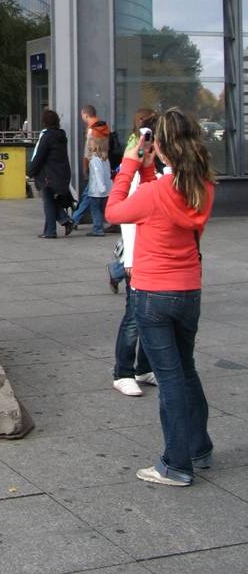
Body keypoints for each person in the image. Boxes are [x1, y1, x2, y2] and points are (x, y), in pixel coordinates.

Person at [105, 107, 216, 486]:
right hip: (188, 291)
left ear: (163, 147)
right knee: (186, 370)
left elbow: (114, 210)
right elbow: (165, 203)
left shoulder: (154, 193)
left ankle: (176, 465)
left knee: (169, 380)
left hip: (153, 295)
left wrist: (129, 165)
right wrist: (150, 169)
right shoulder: (203, 186)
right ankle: (199, 448)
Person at [111, 108, 159, 396]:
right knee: (134, 315)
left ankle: (143, 367)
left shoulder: (157, 164)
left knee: (150, 315)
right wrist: (129, 257)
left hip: (154, 251)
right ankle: (123, 371)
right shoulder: (136, 162)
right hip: (139, 253)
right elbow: (126, 215)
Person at [26, 109, 75, 239]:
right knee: (51, 201)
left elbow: (39, 157)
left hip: (48, 176)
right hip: (61, 173)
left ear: (45, 122)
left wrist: (30, 172)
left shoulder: (47, 137)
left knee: (48, 201)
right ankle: (64, 221)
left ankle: (51, 231)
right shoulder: (62, 136)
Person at [74, 105, 112, 236]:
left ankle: (93, 226)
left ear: (86, 115)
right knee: (89, 196)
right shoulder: (104, 127)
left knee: (91, 198)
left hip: (95, 170)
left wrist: (85, 167)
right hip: (104, 160)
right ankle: (75, 219)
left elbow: (87, 152)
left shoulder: (91, 131)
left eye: (82, 115)